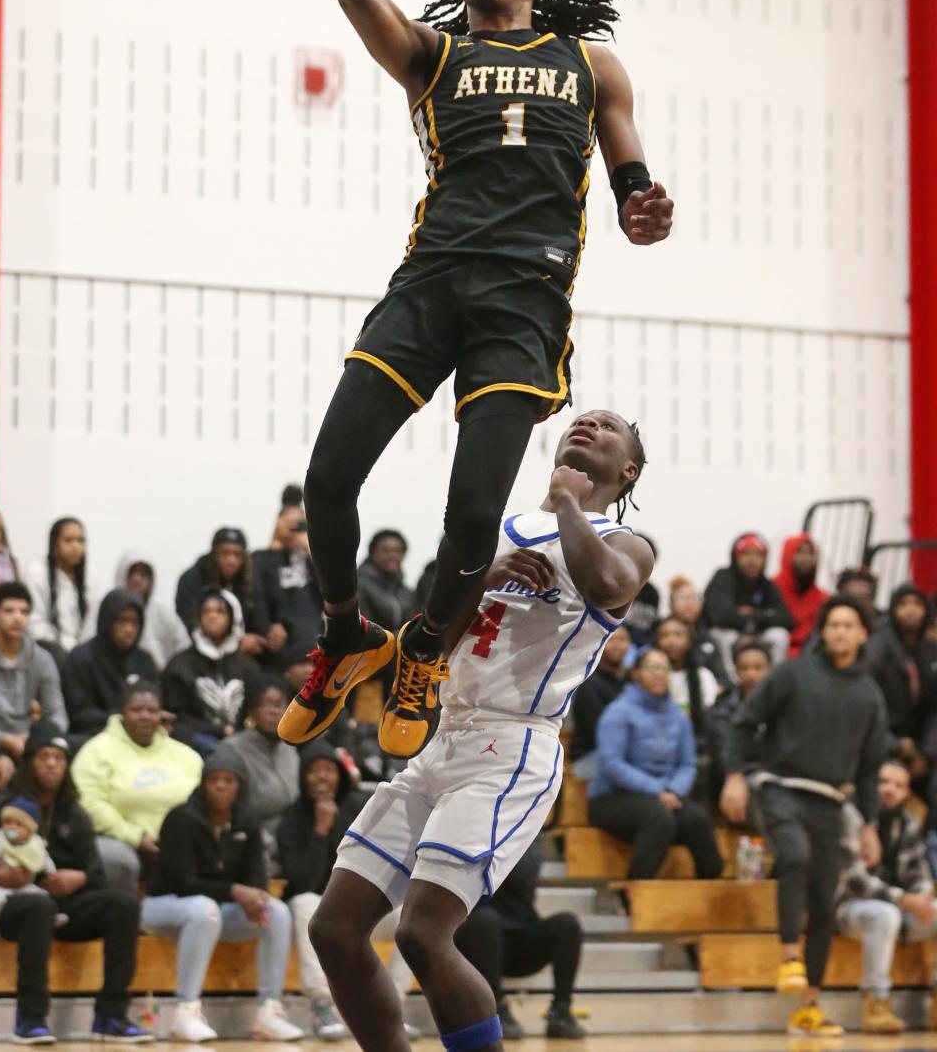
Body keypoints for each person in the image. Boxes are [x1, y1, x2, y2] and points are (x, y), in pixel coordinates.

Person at [243, 0, 674, 764]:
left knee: (474, 510)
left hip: (523, 301)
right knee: (328, 481)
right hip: (431, 283)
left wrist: (642, 205)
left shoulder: (591, 64)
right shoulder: (430, 56)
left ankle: (424, 648)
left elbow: (629, 178)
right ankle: (349, 633)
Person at [301, 408, 655, 1052]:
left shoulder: (625, 541)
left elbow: (607, 587)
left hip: (515, 747)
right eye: (583, 419)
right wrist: (481, 580)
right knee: (334, 928)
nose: (588, 426)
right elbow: (431, 639)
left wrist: (568, 503)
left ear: (627, 469)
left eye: (606, 428)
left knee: (422, 934)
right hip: (446, 734)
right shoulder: (496, 530)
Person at [721, 596, 889, 1039]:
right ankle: (789, 955)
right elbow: (743, 723)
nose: (839, 631)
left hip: (831, 802)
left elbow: (871, 770)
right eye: (832, 623)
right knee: (793, 856)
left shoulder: (869, 695)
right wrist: (736, 776)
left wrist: (870, 824)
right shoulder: (793, 673)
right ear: (823, 629)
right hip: (780, 788)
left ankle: (809, 1007)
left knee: (823, 904)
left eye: (848, 624)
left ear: (862, 634)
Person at [0, 719, 151, 1045]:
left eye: (59, 758)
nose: (52, 764)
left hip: (63, 904)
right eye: (45, 757)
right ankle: (30, 1019)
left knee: (124, 906)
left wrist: (79, 877)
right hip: (4, 904)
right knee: (38, 905)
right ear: (29, 763)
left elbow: (97, 876)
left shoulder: (75, 814)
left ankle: (110, 1016)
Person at [141, 743, 302, 1044]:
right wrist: (235, 891)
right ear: (203, 785)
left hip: (215, 913)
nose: (220, 787)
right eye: (214, 780)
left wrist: (256, 896)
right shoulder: (181, 818)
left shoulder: (248, 821)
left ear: (240, 786)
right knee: (203, 909)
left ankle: (269, 1012)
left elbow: (256, 875)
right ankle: (184, 1012)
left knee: (277, 912)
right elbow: (183, 883)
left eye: (228, 781)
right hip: (163, 907)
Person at [278, 740, 415, 1041]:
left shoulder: (358, 807)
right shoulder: (292, 818)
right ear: (303, 777)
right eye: (314, 771)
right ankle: (322, 1005)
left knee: (412, 916)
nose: (322, 777)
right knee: (304, 903)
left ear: (340, 775)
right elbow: (302, 880)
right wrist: (320, 830)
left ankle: (392, 1008)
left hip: (360, 909)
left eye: (329, 770)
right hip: (319, 910)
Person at [588, 648, 723, 880]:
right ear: (636, 674)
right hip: (613, 799)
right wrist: (658, 790)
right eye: (652, 668)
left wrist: (672, 790)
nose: (659, 674)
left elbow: (687, 764)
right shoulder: (619, 712)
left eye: (664, 668)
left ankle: (710, 892)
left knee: (698, 818)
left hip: (666, 797)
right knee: (659, 818)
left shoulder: (678, 715)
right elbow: (612, 763)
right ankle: (634, 894)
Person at [71, 681, 202, 896]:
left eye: (152, 711)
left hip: (178, 843)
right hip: (122, 840)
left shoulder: (186, 755)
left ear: (162, 715)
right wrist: (136, 837)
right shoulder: (96, 751)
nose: (145, 716)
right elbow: (89, 803)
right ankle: (128, 919)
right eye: (136, 710)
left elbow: (201, 802)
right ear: (122, 713)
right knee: (120, 859)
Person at [835, 759, 937, 1035]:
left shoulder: (909, 823)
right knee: (884, 914)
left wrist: (922, 897)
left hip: (899, 907)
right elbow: (854, 879)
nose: (890, 789)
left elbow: (919, 873)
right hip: (850, 907)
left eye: (899, 785)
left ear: (906, 793)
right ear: (869, 785)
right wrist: (905, 899)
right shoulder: (848, 816)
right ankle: (876, 1003)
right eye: (883, 782)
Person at [453, 837, 585, 1040]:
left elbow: (525, 873)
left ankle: (560, 1012)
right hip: (476, 943)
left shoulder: (529, 831)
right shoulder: (476, 828)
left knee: (567, 924)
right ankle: (494, 1010)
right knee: (486, 920)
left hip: (520, 939)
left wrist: (493, 853)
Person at [0, 584, 68, 792]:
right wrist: (4, 742)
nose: (18, 617)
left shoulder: (42, 658)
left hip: (30, 745)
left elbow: (57, 716)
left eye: (24, 611)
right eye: (9, 610)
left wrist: (36, 741)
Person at [163, 589, 264, 755]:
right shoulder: (179, 665)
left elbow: (254, 710)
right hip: (194, 748)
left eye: (220, 611)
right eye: (206, 611)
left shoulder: (248, 667)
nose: (212, 616)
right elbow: (176, 719)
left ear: (232, 617)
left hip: (243, 748)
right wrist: (219, 731)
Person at [61, 590, 160, 754]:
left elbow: (153, 703)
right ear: (107, 621)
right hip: (96, 734)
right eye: (122, 621)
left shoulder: (144, 660)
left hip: (140, 735)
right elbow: (80, 715)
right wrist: (124, 720)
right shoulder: (81, 658)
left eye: (135, 622)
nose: (129, 629)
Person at [220, 683, 299, 871]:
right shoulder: (233, 749)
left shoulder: (290, 747)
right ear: (252, 711)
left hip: (292, 834)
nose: (274, 712)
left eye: (280, 705)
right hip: (252, 838)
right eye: (267, 705)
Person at [863, 584, 937, 783]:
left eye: (917, 604)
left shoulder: (931, 650)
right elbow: (864, 709)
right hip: (879, 742)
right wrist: (896, 745)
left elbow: (933, 709)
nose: (911, 610)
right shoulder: (875, 650)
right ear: (893, 609)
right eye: (903, 604)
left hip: (919, 747)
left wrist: (926, 752)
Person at [703, 533, 792, 677]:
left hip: (756, 636)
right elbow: (718, 617)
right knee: (725, 636)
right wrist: (762, 617)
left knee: (779, 635)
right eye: (746, 554)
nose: (752, 560)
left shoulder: (767, 585)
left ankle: (774, 682)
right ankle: (731, 683)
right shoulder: (723, 577)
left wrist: (751, 615)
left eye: (758, 555)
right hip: (730, 636)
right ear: (735, 557)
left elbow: (786, 619)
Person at [251, 500, 323, 675]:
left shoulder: (313, 561)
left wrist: (311, 549)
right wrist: (274, 548)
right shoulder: (262, 559)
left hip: (316, 648)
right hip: (280, 655)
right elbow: (261, 598)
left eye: (298, 524)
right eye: (287, 524)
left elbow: (330, 594)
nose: (293, 530)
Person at [0, 795, 63, 934]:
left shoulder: (36, 844)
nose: (11, 827)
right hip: (1, 887)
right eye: (7, 822)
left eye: (18, 824)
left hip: (26, 887)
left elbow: (45, 861)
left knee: (43, 897)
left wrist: (53, 875)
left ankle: (53, 917)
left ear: (30, 830)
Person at [174, 528, 264, 656]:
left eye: (237, 555)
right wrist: (236, 642)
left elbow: (257, 618)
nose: (231, 561)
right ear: (214, 554)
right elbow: (189, 625)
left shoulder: (248, 580)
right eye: (225, 553)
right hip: (198, 653)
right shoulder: (192, 580)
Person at [705, 639, 771, 804]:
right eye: (744, 668)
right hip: (737, 777)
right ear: (736, 671)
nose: (751, 674)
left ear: (770, 670)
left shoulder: (783, 707)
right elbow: (726, 754)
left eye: (758, 668)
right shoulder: (722, 709)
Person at [109, 552, 189, 671]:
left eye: (143, 574)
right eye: (132, 573)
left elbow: (184, 651)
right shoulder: (104, 609)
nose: (137, 579)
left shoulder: (163, 614)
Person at [23, 518, 91, 659]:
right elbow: (35, 623)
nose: (75, 546)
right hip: (46, 648)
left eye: (80, 541)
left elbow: (92, 623)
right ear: (54, 543)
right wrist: (67, 648)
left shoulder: (91, 575)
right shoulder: (37, 573)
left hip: (82, 652)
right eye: (68, 540)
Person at [651, 616, 720, 751]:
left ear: (689, 641)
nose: (672, 641)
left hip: (694, 740)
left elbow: (708, 718)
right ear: (657, 641)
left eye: (678, 634)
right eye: (665, 635)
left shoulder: (704, 676)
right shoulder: (651, 676)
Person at [569, 623, 633, 767]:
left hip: (626, 752)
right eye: (611, 639)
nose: (617, 644)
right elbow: (597, 730)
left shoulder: (632, 680)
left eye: (622, 639)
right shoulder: (588, 681)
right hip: (590, 754)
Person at [772, 534, 829, 659]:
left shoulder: (822, 597)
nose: (805, 558)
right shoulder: (771, 589)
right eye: (800, 552)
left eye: (810, 553)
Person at [668, 576, 728, 683]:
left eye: (694, 598)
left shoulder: (709, 639)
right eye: (684, 598)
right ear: (671, 604)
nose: (690, 603)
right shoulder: (661, 633)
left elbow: (723, 678)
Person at [357, 531, 418, 634]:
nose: (392, 555)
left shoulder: (406, 591)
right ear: (373, 553)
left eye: (398, 551)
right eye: (385, 550)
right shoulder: (359, 585)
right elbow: (363, 627)